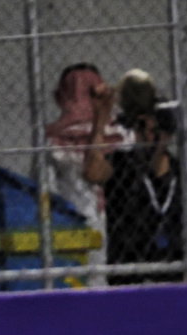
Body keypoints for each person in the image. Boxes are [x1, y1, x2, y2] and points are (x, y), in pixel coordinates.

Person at [84, 75, 182, 282]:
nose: (148, 134)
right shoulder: (123, 163)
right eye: (141, 128)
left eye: (155, 129)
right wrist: (100, 118)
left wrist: (161, 143)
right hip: (127, 271)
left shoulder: (181, 172)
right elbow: (93, 171)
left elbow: (159, 168)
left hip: (174, 272)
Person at [45, 63, 131, 284]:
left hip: (95, 221)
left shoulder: (118, 134)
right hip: (92, 220)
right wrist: (100, 120)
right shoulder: (59, 140)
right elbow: (94, 173)